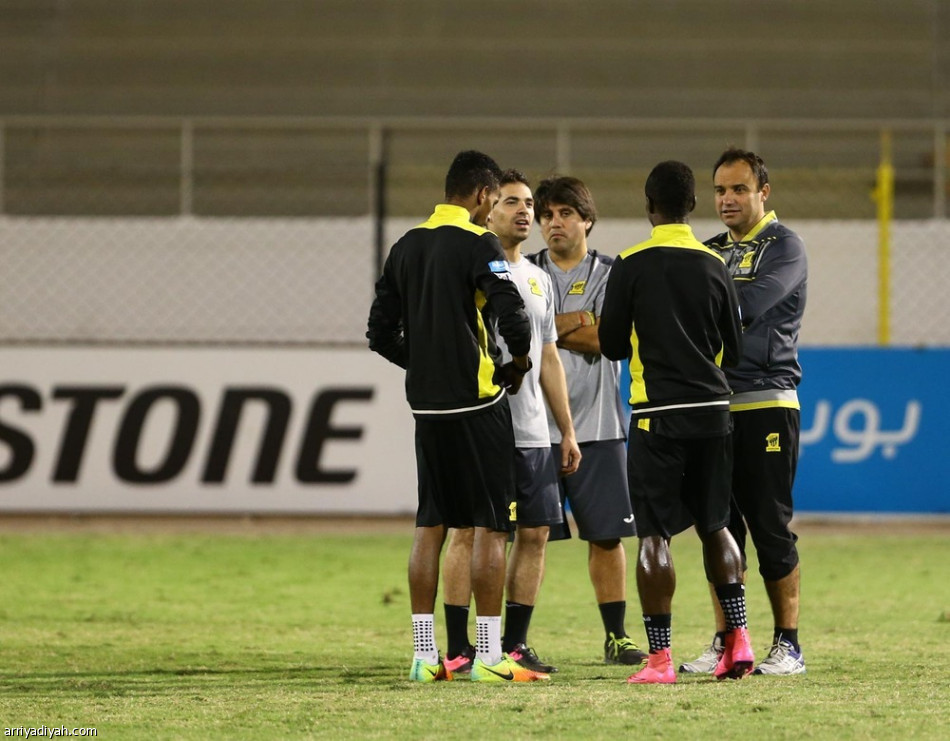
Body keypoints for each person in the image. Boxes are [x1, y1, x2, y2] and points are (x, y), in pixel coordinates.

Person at [366, 150, 548, 683]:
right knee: (492, 525)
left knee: (431, 525)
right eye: (493, 198)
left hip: (426, 407)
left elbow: (379, 333)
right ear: (481, 196)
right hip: (478, 407)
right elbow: (511, 310)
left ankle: (425, 657)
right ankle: (489, 658)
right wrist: (516, 363)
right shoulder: (477, 243)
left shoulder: (405, 246)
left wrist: (423, 363)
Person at [599, 159, 753, 684]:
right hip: (714, 412)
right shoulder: (715, 265)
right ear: (692, 205)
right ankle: (740, 641)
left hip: (656, 416)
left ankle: (660, 659)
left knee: (653, 536)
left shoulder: (631, 263)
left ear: (648, 206)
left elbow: (613, 344)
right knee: (717, 526)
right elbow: (734, 351)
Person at [441, 170, 582, 676]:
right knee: (472, 533)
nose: (525, 211)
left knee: (536, 533)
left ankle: (514, 646)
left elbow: (548, 358)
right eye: (511, 202)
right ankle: (462, 649)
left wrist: (564, 429)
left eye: (528, 204)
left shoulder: (540, 280)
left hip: (534, 432)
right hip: (484, 427)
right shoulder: (471, 265)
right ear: (488, 208)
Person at [679, 148, 808, 677]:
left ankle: (789, 645)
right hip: (713, 406)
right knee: (718, 528)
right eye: (719, 191)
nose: (727, 199)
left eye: (738, 189)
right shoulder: (707, 251)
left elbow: (749, 308)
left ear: (763, 193)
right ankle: (727, 641)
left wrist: (685, 308)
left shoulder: (785, 247)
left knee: (771, 528)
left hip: (766, 403)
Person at [526, 175, 646, 666]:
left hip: (599, 427)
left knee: (606, 536)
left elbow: (609, 341)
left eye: (565, 214)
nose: (555, 223)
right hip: (533, 429)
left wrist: (550, 326)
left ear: (587, 220)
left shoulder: (614, 272)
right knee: (530, 538)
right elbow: (520, 337)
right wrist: (581, 319)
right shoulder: (521, 269)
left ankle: (616, 636)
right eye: (547, 215)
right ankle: (516, 640)